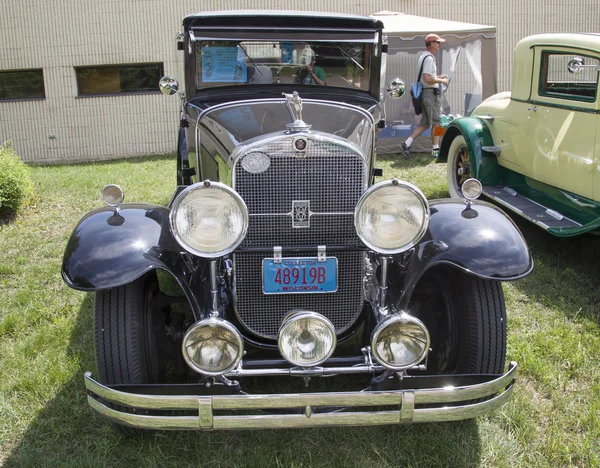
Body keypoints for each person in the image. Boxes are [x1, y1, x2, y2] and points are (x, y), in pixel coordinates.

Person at [400, 33, 449, 159]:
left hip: (425, 93)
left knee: (425, 123)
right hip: (430, 94)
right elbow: (427, 78)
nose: (439, 45)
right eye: (438, 42)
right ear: (432, 43)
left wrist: (438, 77)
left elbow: (426, 77)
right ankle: (436, 151)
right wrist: (442, 81)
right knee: (437, 123)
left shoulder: (423, 56)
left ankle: (406, 143)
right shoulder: (429, 58)